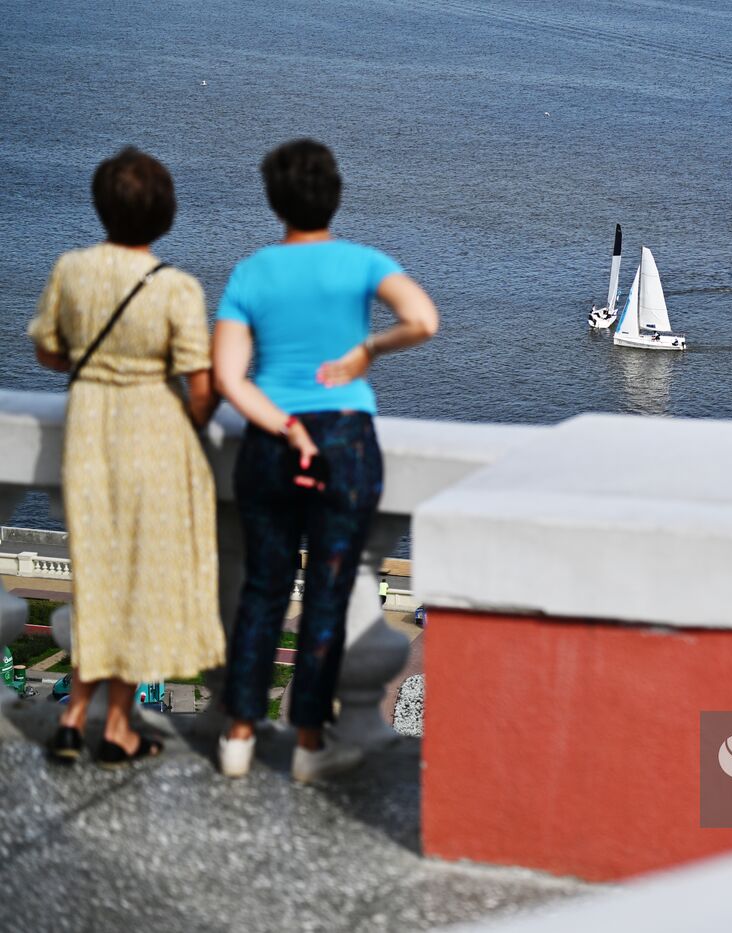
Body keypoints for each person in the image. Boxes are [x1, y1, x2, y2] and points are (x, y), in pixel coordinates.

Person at [213, 139, 438, 783]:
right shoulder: (362, 262)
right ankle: (310, 742)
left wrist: (284, 423)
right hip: (344, 442)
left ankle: (236, 734)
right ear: (335, 195)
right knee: (328, 595)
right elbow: (422, 319)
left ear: (273, 200)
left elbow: (231, 378)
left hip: (272, 443)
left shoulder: (252, 272)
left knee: (262, 588)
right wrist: (368, 351)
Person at [30, 148, 224, 767]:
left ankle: (70, 720)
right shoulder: (177, 288)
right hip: (152, 437)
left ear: (100, 206)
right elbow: (200, 391)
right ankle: (115, 728)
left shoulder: (72, 269)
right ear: (165, 215)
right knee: (138, 585)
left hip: (88, 430)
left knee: (96, 578)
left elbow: (51, 354)